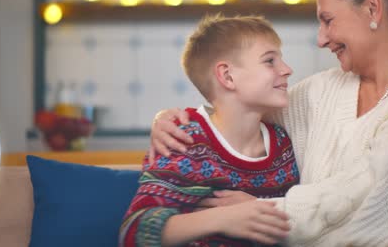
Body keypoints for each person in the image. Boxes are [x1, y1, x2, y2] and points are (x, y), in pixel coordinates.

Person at [147, 0, 388, 247]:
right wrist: (171, 121)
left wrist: (258, 212)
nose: (320, 39)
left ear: (373, 9)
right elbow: (237, 108)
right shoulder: (321, 92)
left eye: (328, 20)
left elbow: (368, 195)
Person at [119, 15, 300, 247]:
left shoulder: (284, 143)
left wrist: (256, 207)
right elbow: (134, 233)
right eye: (270, 61)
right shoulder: (184, 140)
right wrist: (223, 218)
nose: (287, 70)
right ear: (227, 76)